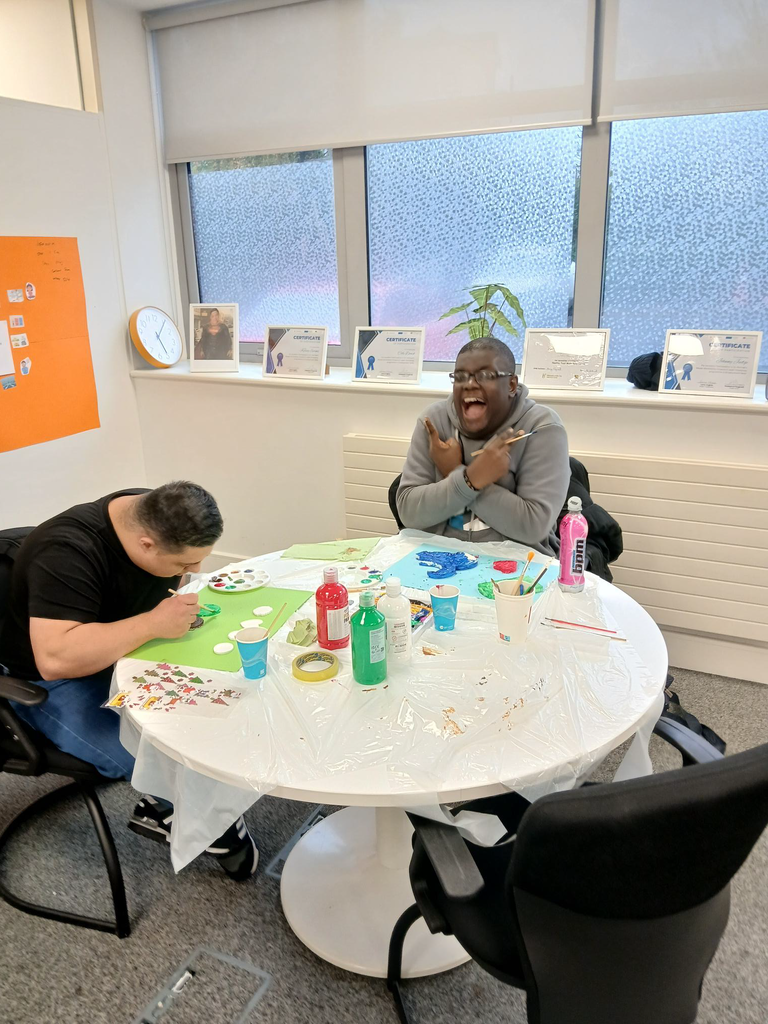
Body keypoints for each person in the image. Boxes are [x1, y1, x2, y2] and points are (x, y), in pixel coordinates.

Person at [0, 482, 258, 880]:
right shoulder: (65, 553)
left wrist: (168, 613)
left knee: (220, 712)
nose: (192, 572)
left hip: (126, 653)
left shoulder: (153, 507)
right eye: (183, 564)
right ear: (146, 544)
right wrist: (153, 623)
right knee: (151, 756)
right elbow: (54, 659)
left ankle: (172, 805)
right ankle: (186, 818)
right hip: (48, 680)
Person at [397, 337, 569, 555]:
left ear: (511, 385)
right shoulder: (434, 421)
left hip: (518, 562)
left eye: (486, 375)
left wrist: (457, 472)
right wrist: (470, 480)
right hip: (438, 556)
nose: (469, 384)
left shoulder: (542, 427)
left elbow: (533, 526)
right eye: (460, 377)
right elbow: (409, 513)